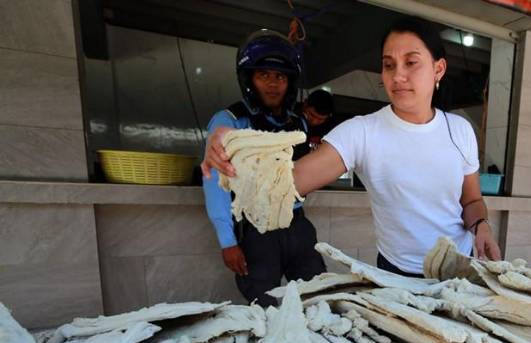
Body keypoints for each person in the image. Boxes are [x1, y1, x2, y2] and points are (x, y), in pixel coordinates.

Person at [202, 18, 501, 277]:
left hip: (461, 269)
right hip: (397, 276)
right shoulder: (362, 132)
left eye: (411, 63)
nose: (397, 75)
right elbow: (284, 183)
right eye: (388, 65)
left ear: (438, 69)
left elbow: (471, 200)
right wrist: (233, 141)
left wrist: (482, 226)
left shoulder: (460, 130)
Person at [202, 29, 325, 306]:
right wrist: (227, 241)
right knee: (265, 305)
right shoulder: (229, 121)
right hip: (256, 231)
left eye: (280, 76)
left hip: (297, 225)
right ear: (249, 79)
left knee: (316, 299)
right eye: (264, 75)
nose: (273, 84)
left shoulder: (298, 124)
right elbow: (214, 184)